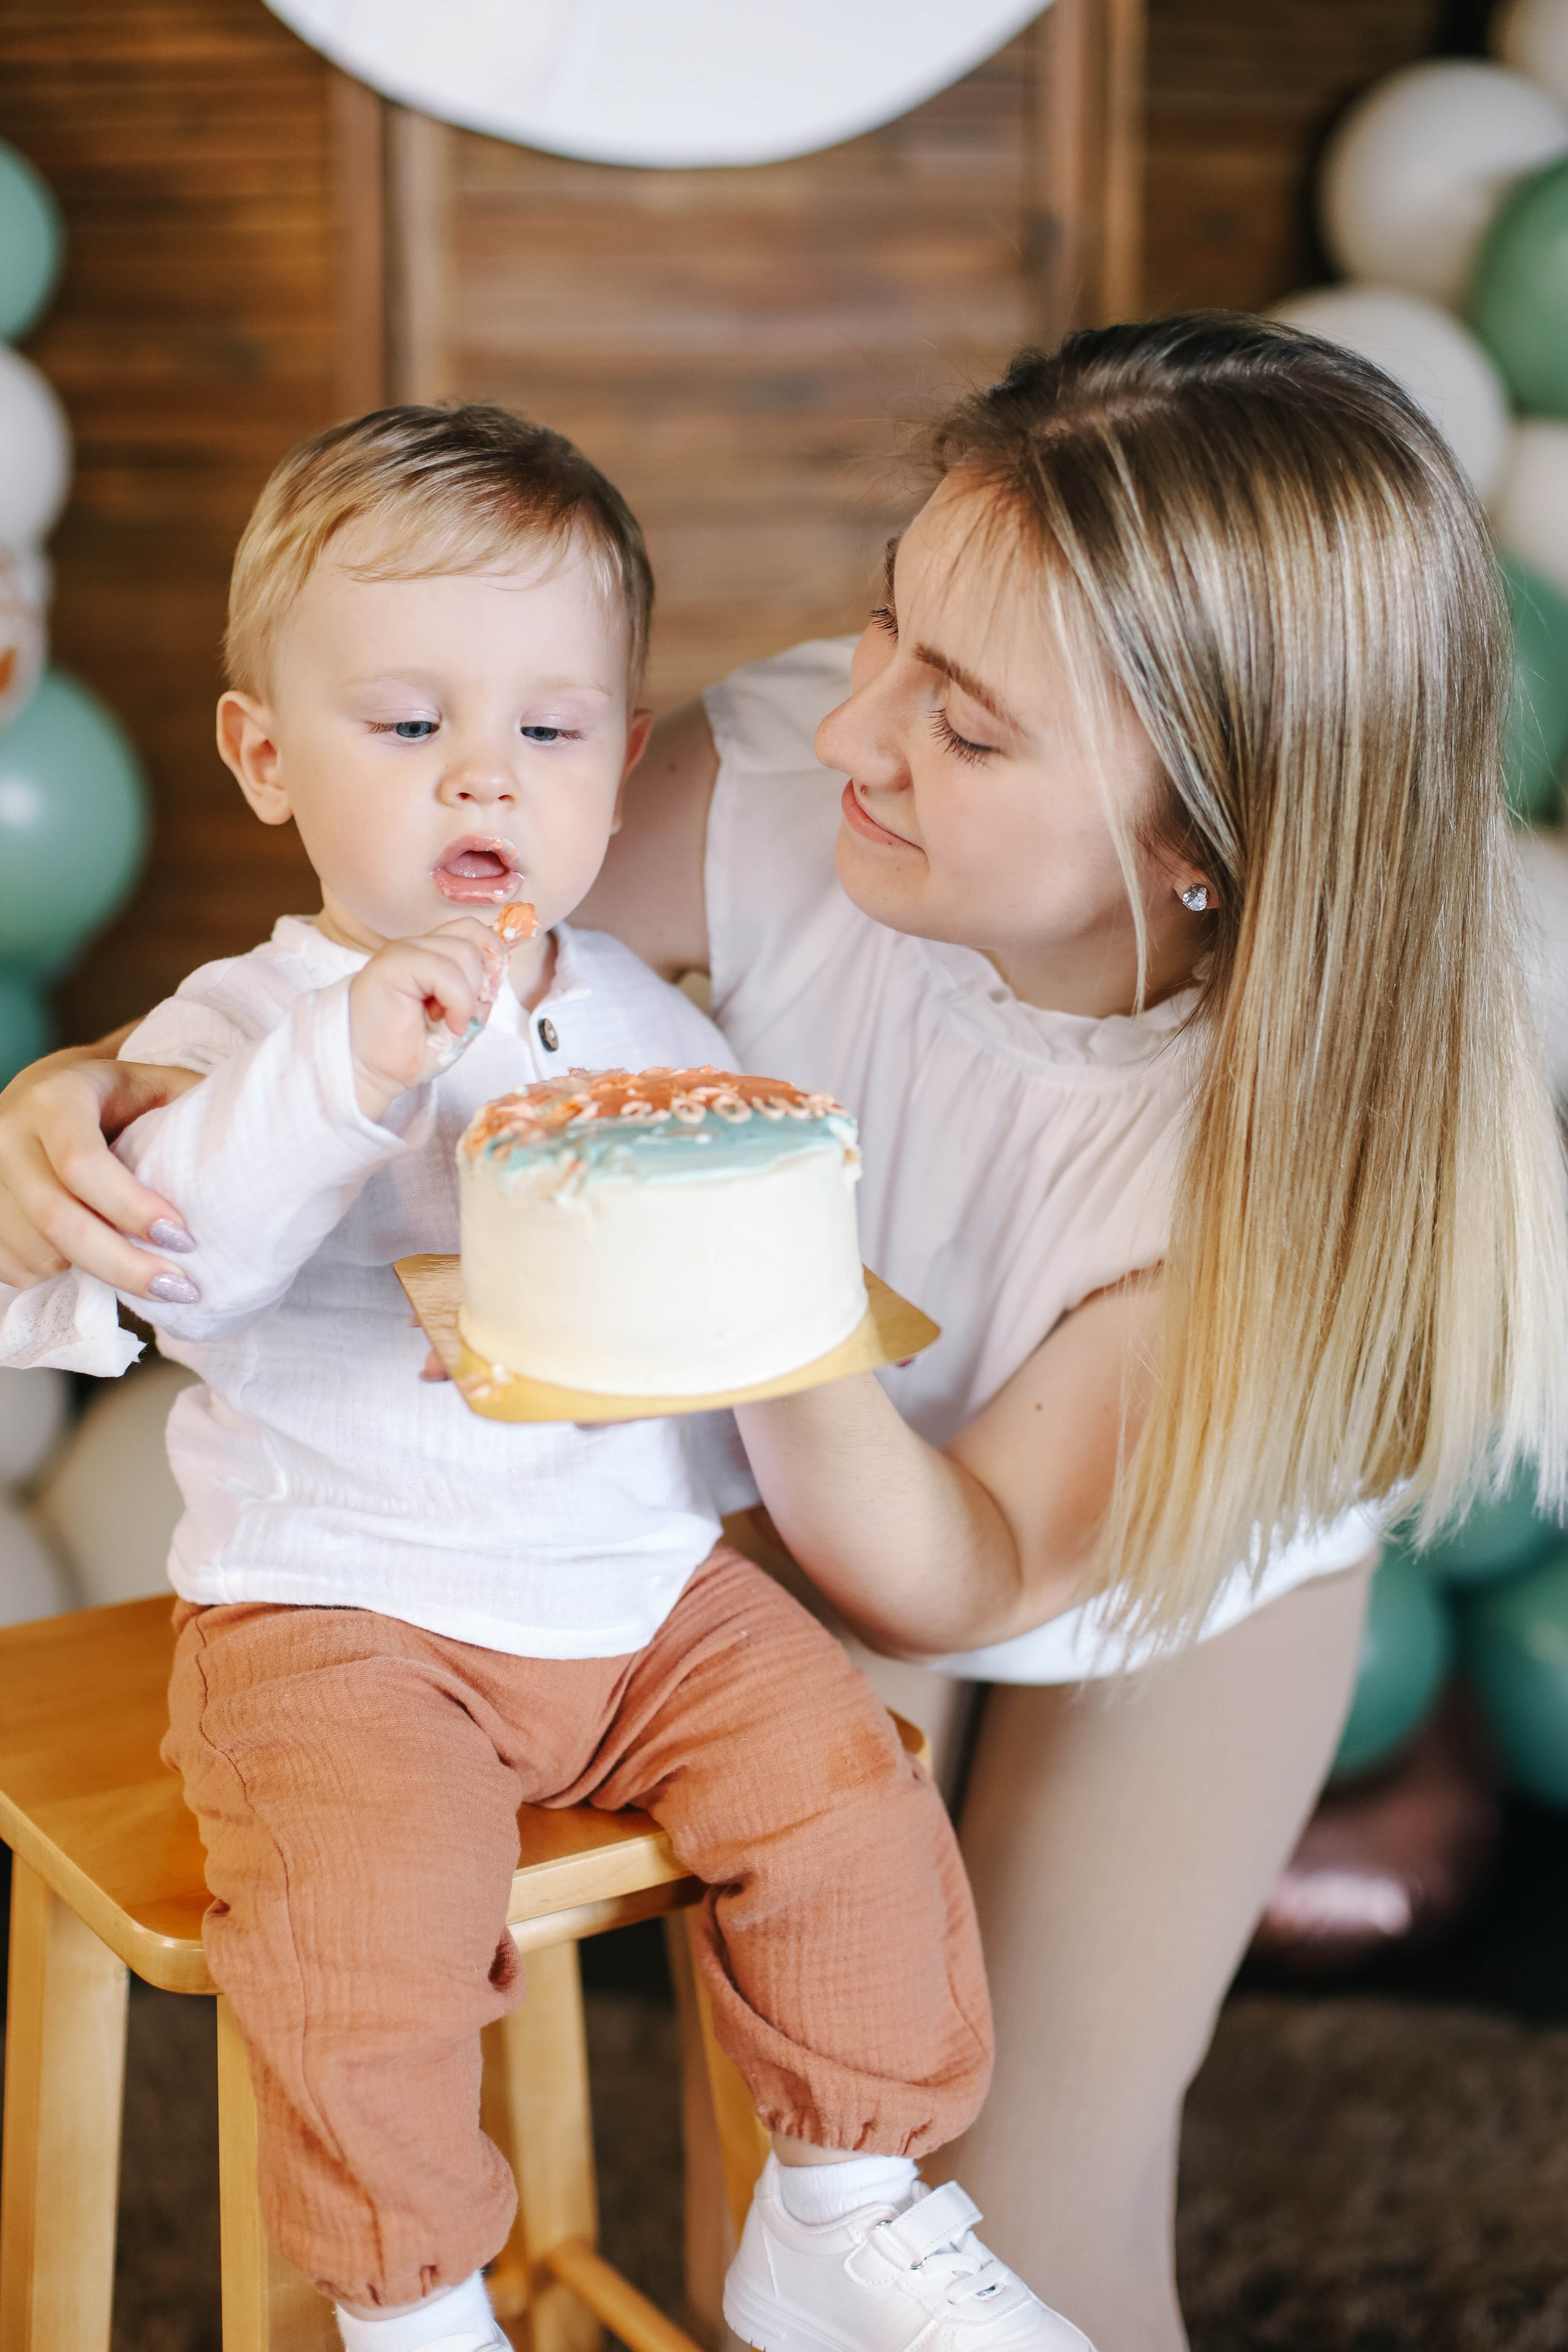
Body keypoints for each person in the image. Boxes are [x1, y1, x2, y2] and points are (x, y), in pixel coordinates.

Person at [3, 316, 1565, 2348]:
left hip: (1138, 1574)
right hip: (785, 1481)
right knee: (791, 2103)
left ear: (1198, 841)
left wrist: (750, 1265)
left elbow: (959, 1560)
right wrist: (89, 1088)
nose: (857, 730)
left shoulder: (1284, 1162)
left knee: (1031, 2225)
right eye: (885, 629)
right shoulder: (767, 786)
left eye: (970, 725)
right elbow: (398, 983)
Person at [0, 404, 1084, 2352]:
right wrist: (346, 1065)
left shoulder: (647, 1014)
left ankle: (843, 2195)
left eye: (549, 731)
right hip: (346, 1610)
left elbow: (703, 1301)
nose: (482, 773)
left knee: (850, 1790)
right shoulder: (239, 1023)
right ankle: (412, 2302)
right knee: (368, 1935)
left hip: (640, 1592)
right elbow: (185, 1257)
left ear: (620, 764)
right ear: (267, 756)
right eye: (408, 727)